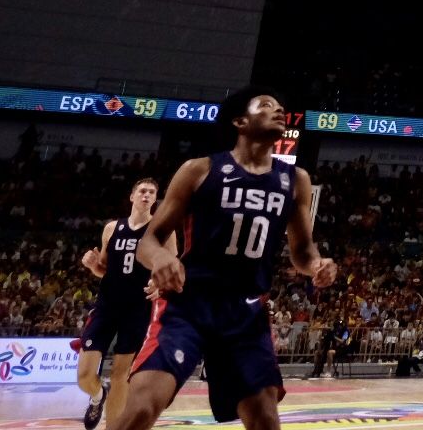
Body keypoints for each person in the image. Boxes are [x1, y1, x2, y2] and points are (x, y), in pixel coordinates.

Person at [110, 91, 339, 430]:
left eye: (280, 106)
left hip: (246, 314)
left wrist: (318, 264)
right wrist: (160, 257)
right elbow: (149, 239)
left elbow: (303, 251)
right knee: (142, 407)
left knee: (264, 418)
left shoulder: (296, 181)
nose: (278, 110)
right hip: (188, 306)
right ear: (240, 122)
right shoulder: (199, 170)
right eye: (265, 105)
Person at [77, 177, 170, 429]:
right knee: (84, 376)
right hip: (107, 305)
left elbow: (172, 270)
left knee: (120, 375)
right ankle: (97, 396)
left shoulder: (162, 230)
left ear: (155, 199)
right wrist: (91, 264)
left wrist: (159, 284)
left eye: (152, 192)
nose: (147, 195)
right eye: (142, 190)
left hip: (138, 309)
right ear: (132, 196)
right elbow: (103, 269)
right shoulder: (112, 228)